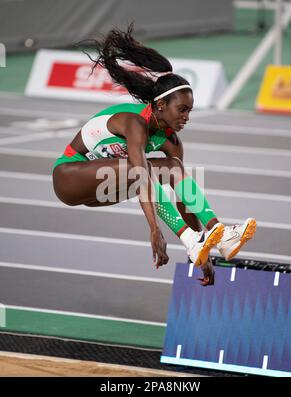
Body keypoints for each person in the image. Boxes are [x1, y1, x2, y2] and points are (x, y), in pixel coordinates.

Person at [52, 25, 257, 286]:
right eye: (182, 110)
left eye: (189, 111)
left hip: (103, 189)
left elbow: (183, 199)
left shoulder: (171, 141)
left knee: (172, 167)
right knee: (141, 169)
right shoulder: (134, 123)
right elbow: (140, 175)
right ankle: (191, 240)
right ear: (160, 105)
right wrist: (154, 229)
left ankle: (220, 234)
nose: (186, 117)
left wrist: (201, 251)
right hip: (69, 177)